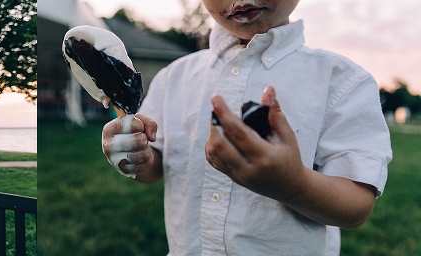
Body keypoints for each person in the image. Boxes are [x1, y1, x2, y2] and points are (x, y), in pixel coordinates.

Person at [101, 0, 392, 255]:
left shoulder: (341, 81)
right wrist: (138, 154)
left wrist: (293, 185)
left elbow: (358, 205)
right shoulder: (174, 77)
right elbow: (154, 167)